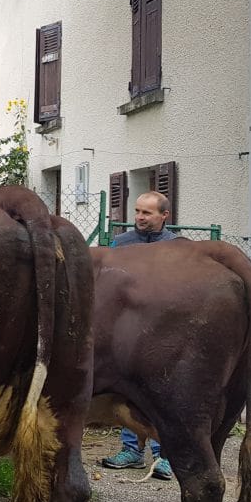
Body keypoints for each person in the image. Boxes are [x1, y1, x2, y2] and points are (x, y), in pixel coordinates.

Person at [100, 190, 178, 481]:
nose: (139, 218)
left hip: (162, 332)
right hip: (126, 331)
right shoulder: (121, 244)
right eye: (137, 212)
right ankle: (131, 451)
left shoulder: (177, 247)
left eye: (146, 213)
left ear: (164, 215)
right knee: (126, 390)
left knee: (161, 394)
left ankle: (163, 457)